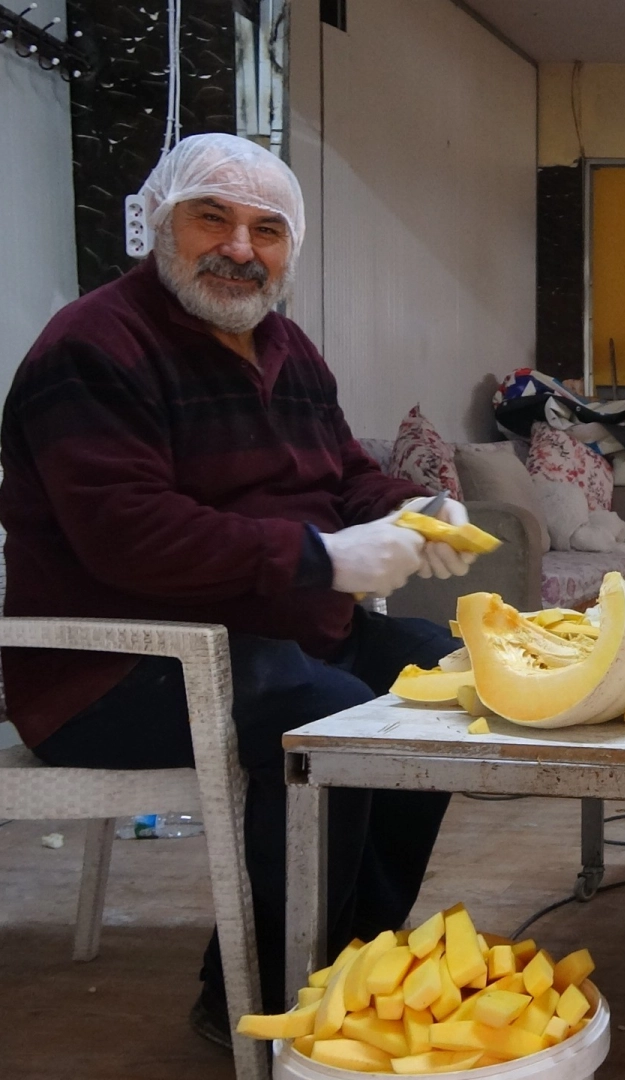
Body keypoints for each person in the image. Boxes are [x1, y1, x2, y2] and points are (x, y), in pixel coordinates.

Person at [0, 134, 478, 1045]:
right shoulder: (92, 349)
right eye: (210, 219)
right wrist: (322, 559)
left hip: (280, 644)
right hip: (112, 668)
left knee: (439, 682)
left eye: (267, 229)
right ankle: (257, 998)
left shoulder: (286, 347)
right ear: (157, 222)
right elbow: (129, 536)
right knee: (328, 716)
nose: (239, 248)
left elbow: (344, 475)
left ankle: (355, 958)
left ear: (290, 248)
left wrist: (412, 508)